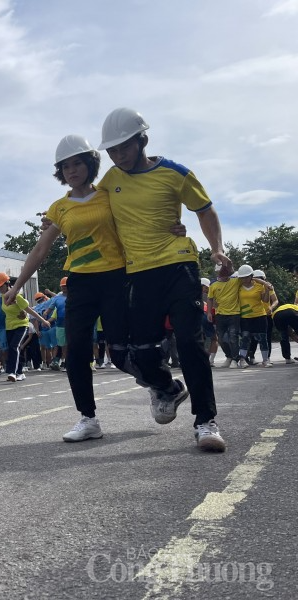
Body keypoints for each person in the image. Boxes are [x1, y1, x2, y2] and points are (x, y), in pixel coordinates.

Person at [5, 134, 186, 443]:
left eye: (78, 163)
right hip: (80, 283)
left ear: (90, 164)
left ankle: (166, 386)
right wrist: (17, 286)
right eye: (65, 166)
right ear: (59, 172)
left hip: (117, 278)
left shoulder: (109, 194)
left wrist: (173, 227)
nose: (72, 170)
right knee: (75, 351)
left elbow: (140, 216)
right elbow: (39, 251)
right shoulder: (59, 208)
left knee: (118, 353)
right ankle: (88, 419)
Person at [97, 107, 232, 451]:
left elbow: (205, 209)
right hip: (138, 274)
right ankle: (167, 388)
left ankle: (206, 422)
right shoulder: (111, 180)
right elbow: (90, 209)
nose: (118, 155)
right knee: (138, 351)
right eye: (112, 150)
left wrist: (216, 249)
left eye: (124, 147)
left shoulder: (176, 174)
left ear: (143, 140)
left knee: (189, 342)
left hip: (178, 264)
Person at [0, 273, 49, 381]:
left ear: (7, 284)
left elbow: (30, 311)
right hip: (9, 327)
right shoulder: (1, 297)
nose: (0, 289)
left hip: (21, 325)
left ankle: (12, 372)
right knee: (13, 348)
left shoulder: (17, 296)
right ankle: (20, 373)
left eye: (1, 286)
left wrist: (43, 321)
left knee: (14, 346)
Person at [235, 265, 272, 367]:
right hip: (245, 317)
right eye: (242, 277)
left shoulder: (259, 286)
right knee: (245, 338)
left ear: (251, 276)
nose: (245, 279)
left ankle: (265, 360)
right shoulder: (238, 287)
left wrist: (267, 288)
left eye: (247, 277)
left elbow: (265, 300)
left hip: (260, 315)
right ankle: (242, 359)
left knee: (262, 338)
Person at [247, 269, 279, 365]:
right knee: (252, 337)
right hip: (253, 315)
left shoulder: (268, 287)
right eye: (256, 278)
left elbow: (275, 300)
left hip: (266, 315)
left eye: (260, 278)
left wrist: (271, 307)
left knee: (266, 337)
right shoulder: (251, 287)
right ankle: (251, 356)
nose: (258, 280)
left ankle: (267, 357)